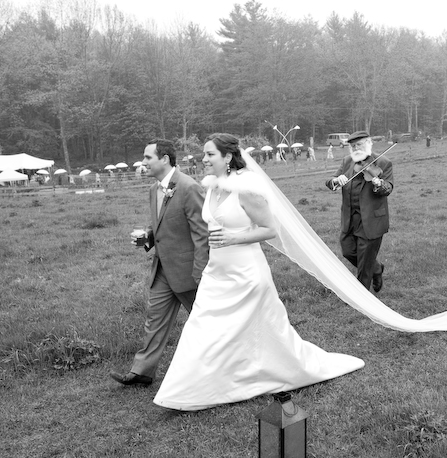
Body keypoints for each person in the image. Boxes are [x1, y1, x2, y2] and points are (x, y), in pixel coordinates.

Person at [152, 134, 364, 411]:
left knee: (258, 330)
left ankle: (267, 372)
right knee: (202, 327)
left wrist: (233, 239)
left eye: (209, 154)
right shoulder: (212, 187)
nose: (203, 160)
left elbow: (269, 229)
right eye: (203, 155)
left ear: (227, 157)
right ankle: (190, 390)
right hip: (216, 272)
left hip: (246, 274)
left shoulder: (246, 188)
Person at [109, 138, 210, 387]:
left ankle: (226, 367)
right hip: (162, 269)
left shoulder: (189, 187)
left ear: (164, 159)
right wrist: (148, 237)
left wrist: (201, 273)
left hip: (189, 272)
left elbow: (201, 234)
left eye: (147, 158)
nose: (143, 163)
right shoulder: (154, 189)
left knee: (207, 322)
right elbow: (163, 223)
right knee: (154, 320)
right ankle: (142, 371)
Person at [325, 130, 393, 292]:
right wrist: (336, 180)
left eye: (360, 144)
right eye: (353, 146)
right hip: (350, 219)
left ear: (369, 143)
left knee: (364, 265)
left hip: (371, 220)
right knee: (348, 251)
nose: (356, 148)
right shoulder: (348, 161)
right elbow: (330, 182)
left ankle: (362, 298)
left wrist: (379, 184)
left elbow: (388, 187)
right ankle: (376, 269)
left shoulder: (383, 162)